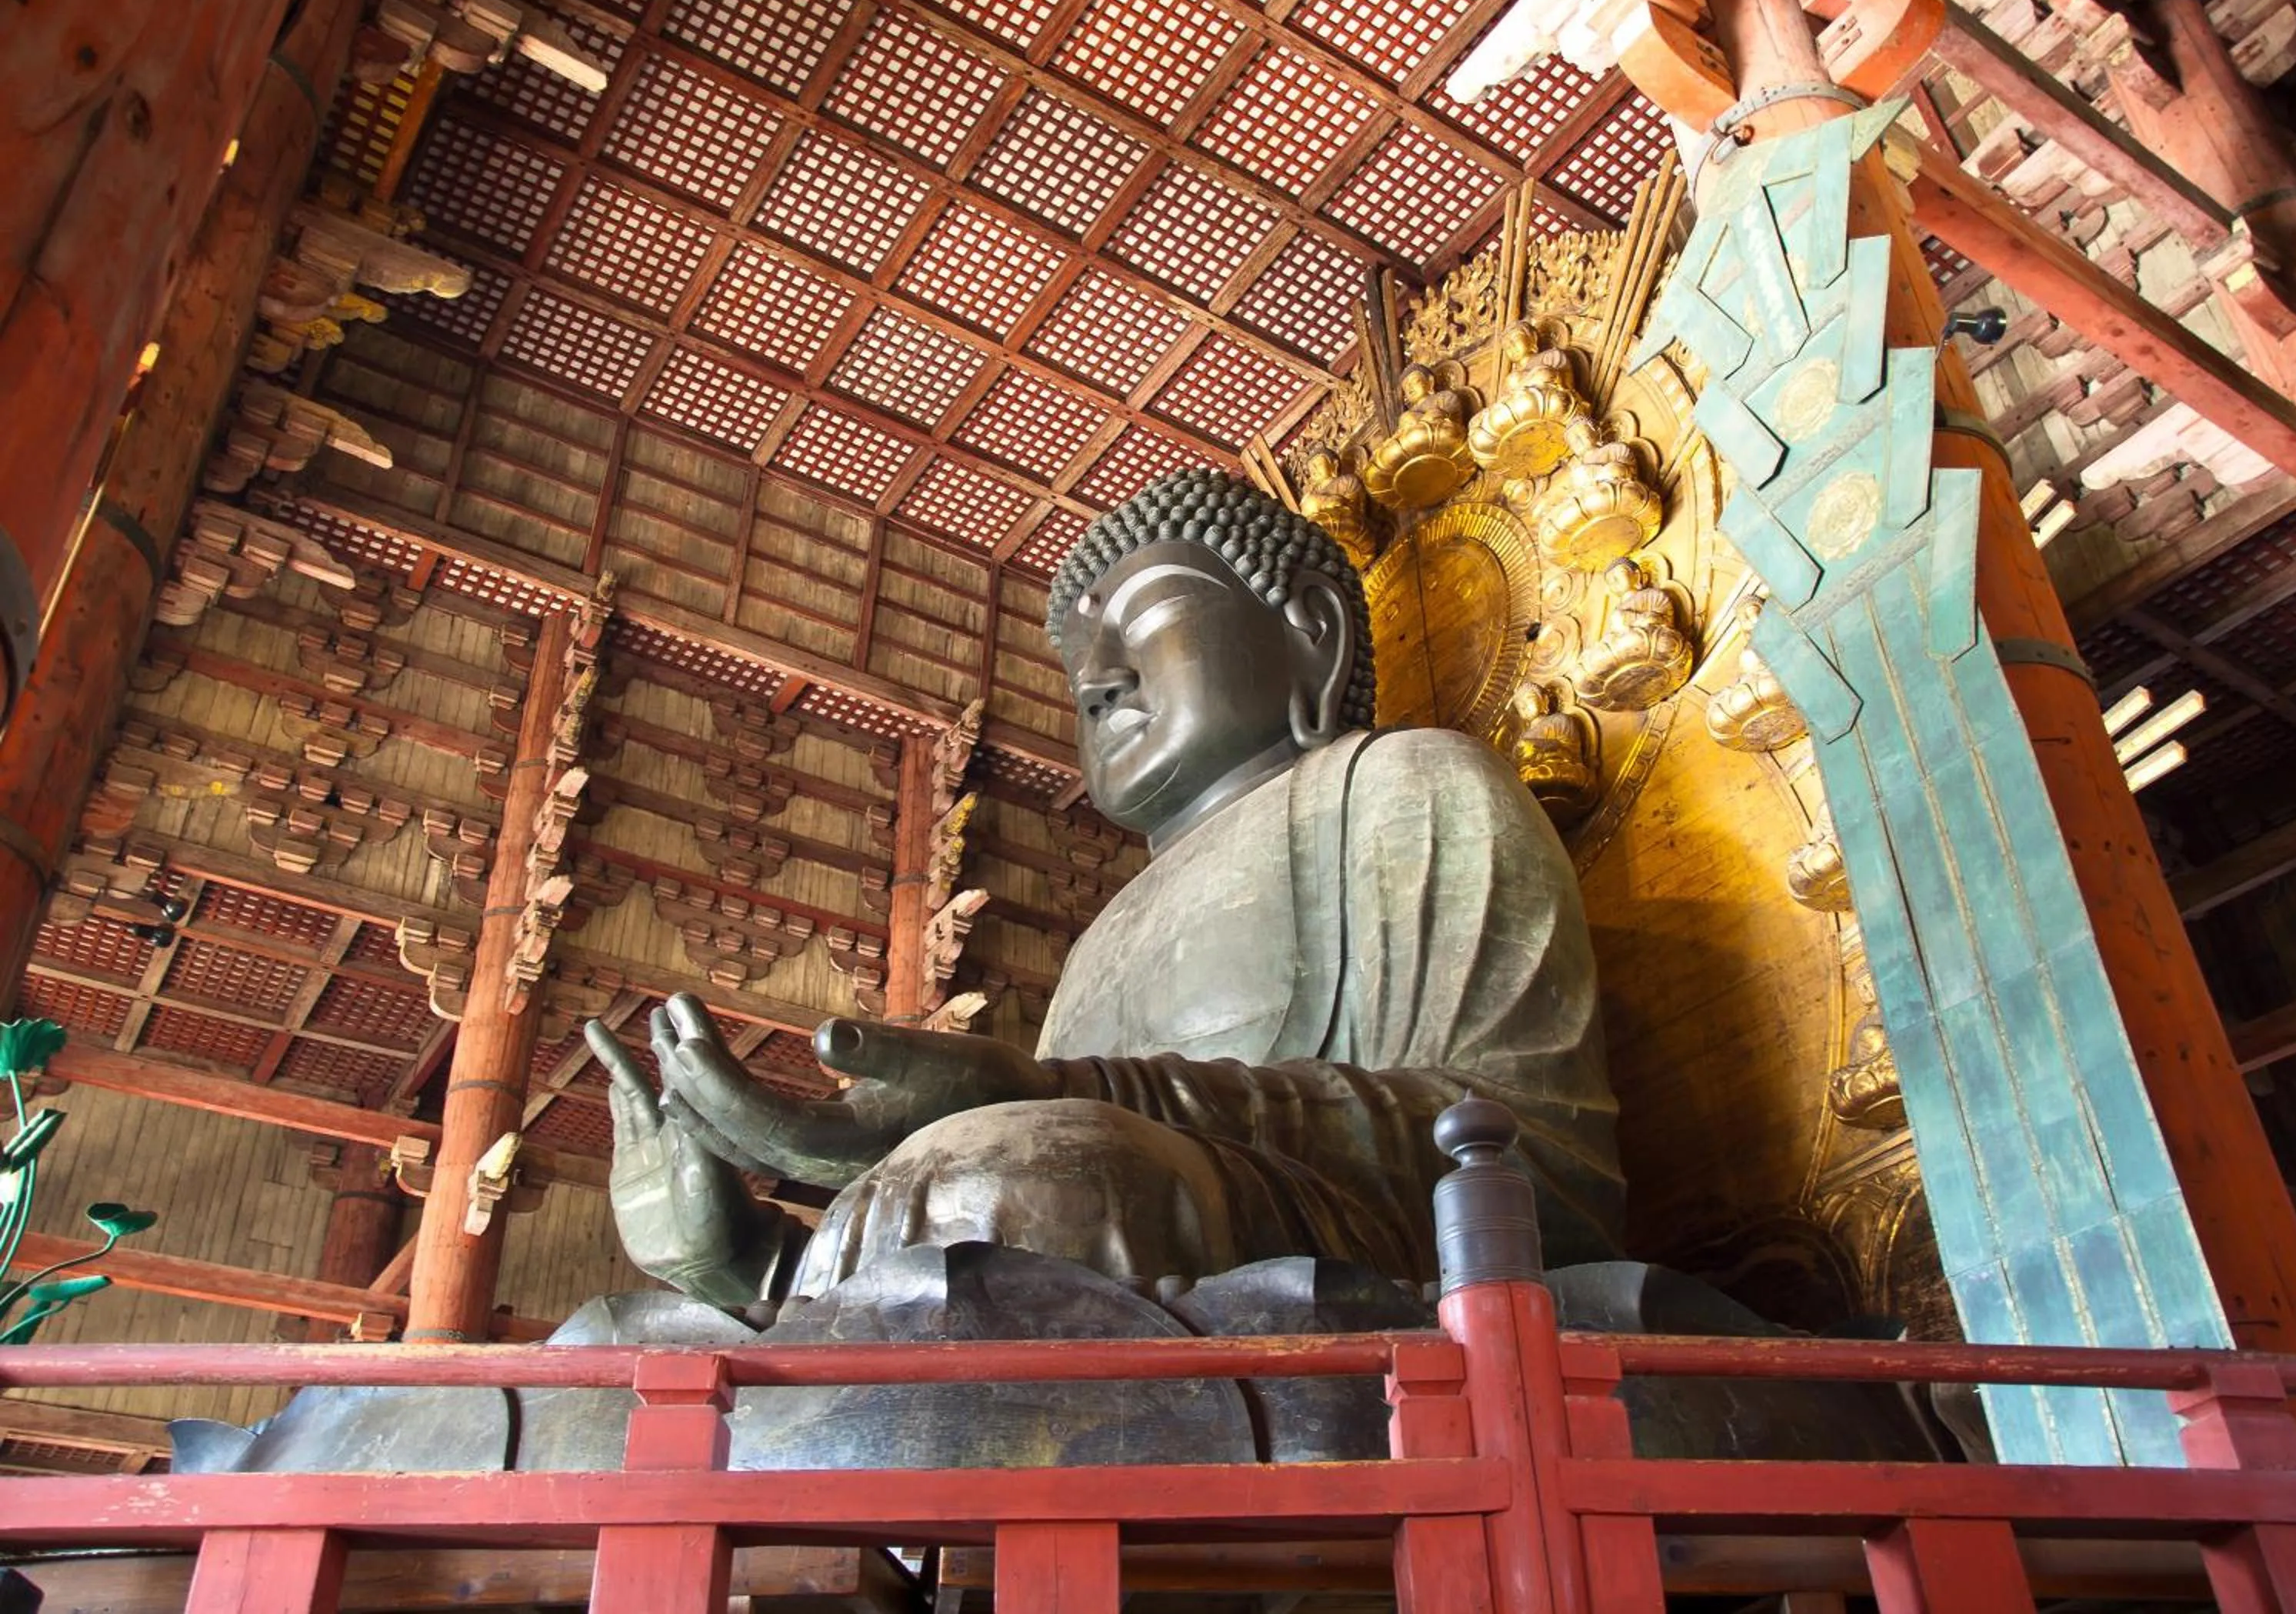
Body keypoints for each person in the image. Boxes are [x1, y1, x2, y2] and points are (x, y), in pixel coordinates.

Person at [588, 469, 1624, 1309]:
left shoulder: (1412, 783)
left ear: (1313, 633)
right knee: (616, 1342)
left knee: (1021, 1174)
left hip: (1387, 1262)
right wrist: (746, 1259)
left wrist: (1053, 1095)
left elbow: (1535, 1157)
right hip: (1123, 1225)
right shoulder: (1099, 943)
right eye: (1079, 658)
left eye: (1149, 615)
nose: (1098, 679)